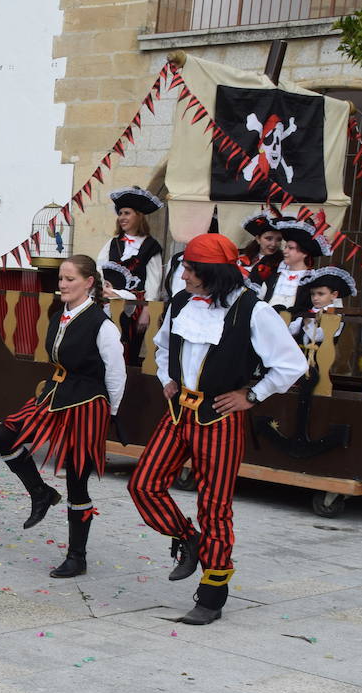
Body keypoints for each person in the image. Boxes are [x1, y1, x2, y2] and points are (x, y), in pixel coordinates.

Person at [128, 233, 306, 625]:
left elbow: (292, 365)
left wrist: (252, 395)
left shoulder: (253, 310)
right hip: (178, 411)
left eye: (191, 270)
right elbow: (162, 347)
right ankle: (188, 539)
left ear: (213, 273)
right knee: (143, 485)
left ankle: (212, 594)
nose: (184, 276)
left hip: (221, 418)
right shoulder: (180, 301)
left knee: (214, 507)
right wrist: (168, 379)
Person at [0, 255, 126, 577]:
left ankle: (76, 557)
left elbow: (116, 373)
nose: (63, 285)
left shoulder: (102, 325)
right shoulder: (59, 316)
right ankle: (40, 492)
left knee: (77, 478)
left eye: (70, 279)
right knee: (4, 435)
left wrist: (110, 413)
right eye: (61, 279)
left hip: (88, 402)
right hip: (56, 393)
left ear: (89, 283)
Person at [99, 187, 164, 366]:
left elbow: (154, 281)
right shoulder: (112, 243)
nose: (122, 217)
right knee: (107, 342)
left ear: (139, 216)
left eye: (127, 213)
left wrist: (147, 311)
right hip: (110, 302)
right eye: (120, 213)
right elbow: (99, 268)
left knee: (129, 346)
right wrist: (103, 287)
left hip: (136, 307)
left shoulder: (151, 246)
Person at [259, 217, 331, 309]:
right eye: (285, 247)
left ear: (304, 253)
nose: (285, 251)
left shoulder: (312, 279)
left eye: (291, 248)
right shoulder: (273, 277)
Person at [236, 210, 282, 289]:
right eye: (269, 239)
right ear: (258, 239)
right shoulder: (244, 257)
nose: (274, 244)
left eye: (278, 240)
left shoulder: (282, 264)